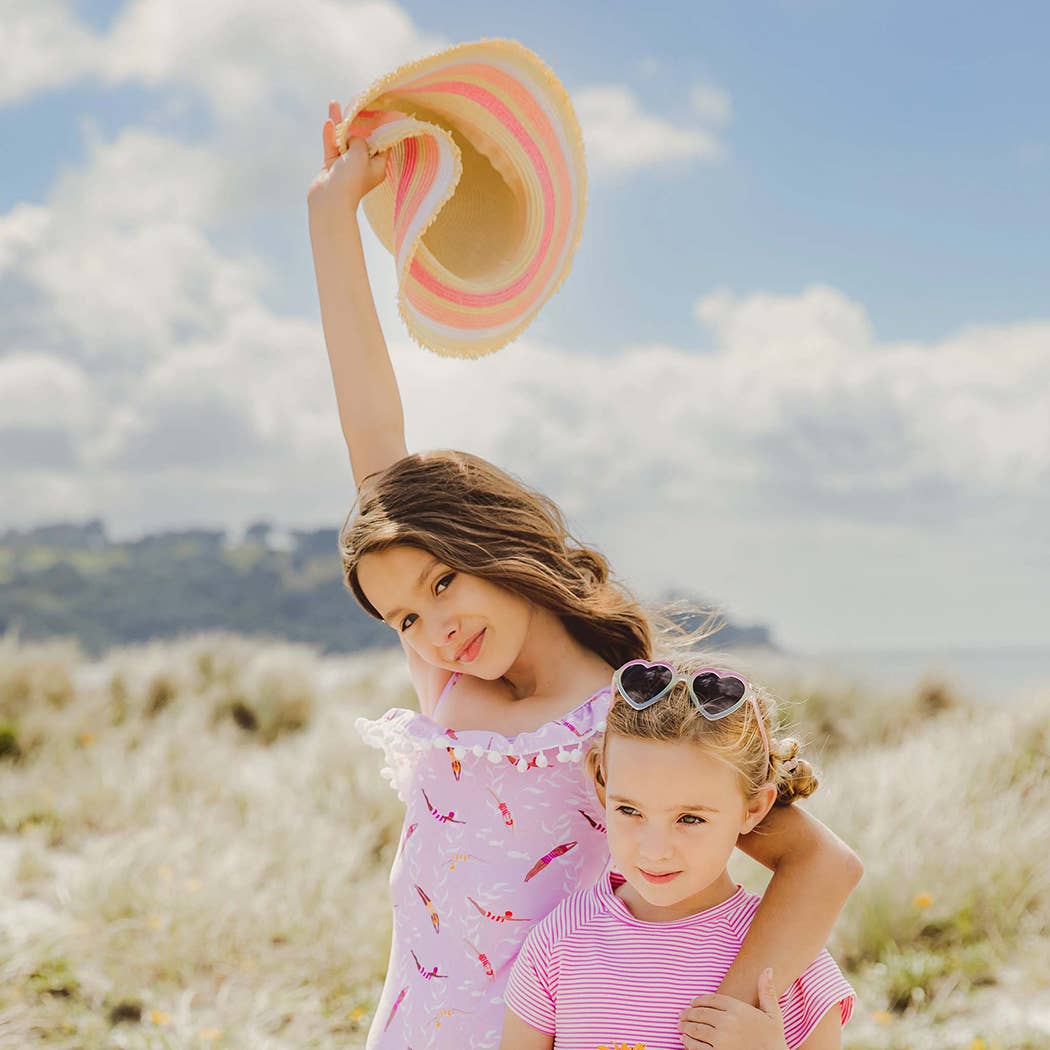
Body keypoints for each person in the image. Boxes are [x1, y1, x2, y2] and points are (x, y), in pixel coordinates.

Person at [307, 101, 863, 1050]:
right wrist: (330, 217)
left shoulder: (623, 719)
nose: (434, 629)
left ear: (497, 543)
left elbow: (819, 862)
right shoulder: (449, 686)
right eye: (403, 619)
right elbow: (373, 443)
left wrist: (729, 1020)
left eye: (445, 585)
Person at [501, 657, 856, 1050]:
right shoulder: (560, 940)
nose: (655, 850)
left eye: (689, 819)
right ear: (603, 786)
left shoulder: (791, 961)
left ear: (754, 808)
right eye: (630, 810)